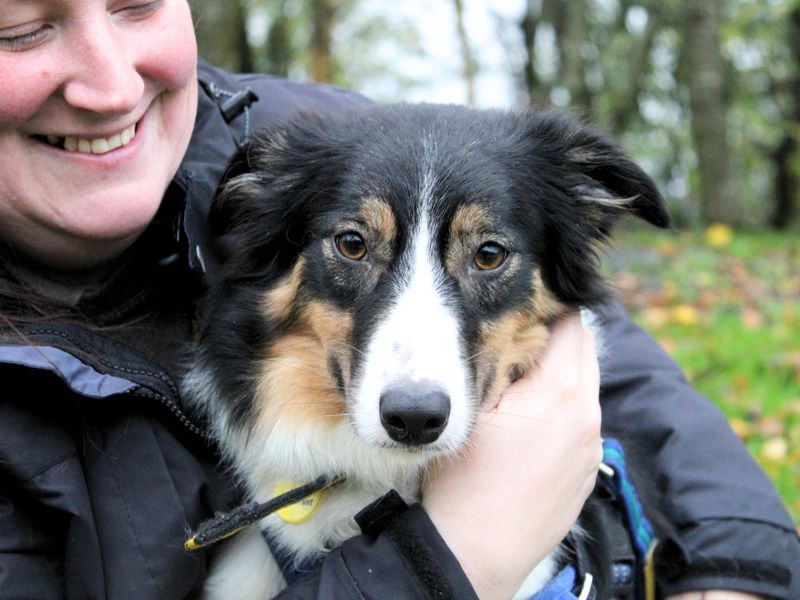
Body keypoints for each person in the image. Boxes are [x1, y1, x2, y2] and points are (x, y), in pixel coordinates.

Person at [0, 1, 796, 599]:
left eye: (135, 1)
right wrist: (452, 554)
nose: (110, 87)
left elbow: (638, 386)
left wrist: (736, 568)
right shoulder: (296, 171)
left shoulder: (335, 133)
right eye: (22, 27)